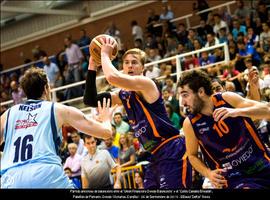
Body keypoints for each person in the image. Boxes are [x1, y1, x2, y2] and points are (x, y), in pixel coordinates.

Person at [83, 40, 192, 189]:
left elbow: (112, 78)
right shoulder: (123, 95)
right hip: (153, 155)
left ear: (143, 68)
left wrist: (104, 53)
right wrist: (92, 66)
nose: (130, 66)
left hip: (171, 149)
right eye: (126, 63)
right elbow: (90, 100)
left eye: (134, 62)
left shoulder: (147, 84)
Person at [0, 67, 115, 188]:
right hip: (45, 174)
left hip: (11, 179)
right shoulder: (57, 109)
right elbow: (106, 133)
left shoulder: (8, 114)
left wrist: (7, 156)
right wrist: (106, 119)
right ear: (46, 88)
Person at [178, 70, 270, 189]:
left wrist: (237, 111)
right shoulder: (189, 123)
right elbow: (192, 155)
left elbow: (267, 110)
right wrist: (208, 173)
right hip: (235, 177)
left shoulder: (226, 99)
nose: (183, 103)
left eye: (185, 95)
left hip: (261, 164)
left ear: (201, 92)